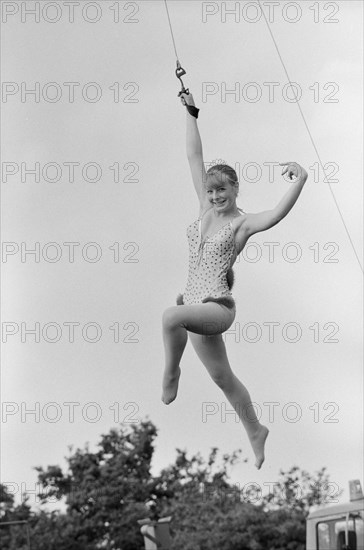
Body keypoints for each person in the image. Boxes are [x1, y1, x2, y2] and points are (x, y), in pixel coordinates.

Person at [161, 92, 308, 469]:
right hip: (196, 308)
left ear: (235, 189)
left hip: (217, 308)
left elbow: (275, 215)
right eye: (211, 191)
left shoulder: (241, 223)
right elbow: (194, 157)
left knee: (169, 317)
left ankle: (171, 372)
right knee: (223, 378)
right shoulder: (203, 208)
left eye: (222, 190)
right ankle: (256, 431)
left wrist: (300, 179)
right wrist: (191, 113)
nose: (215, 196)